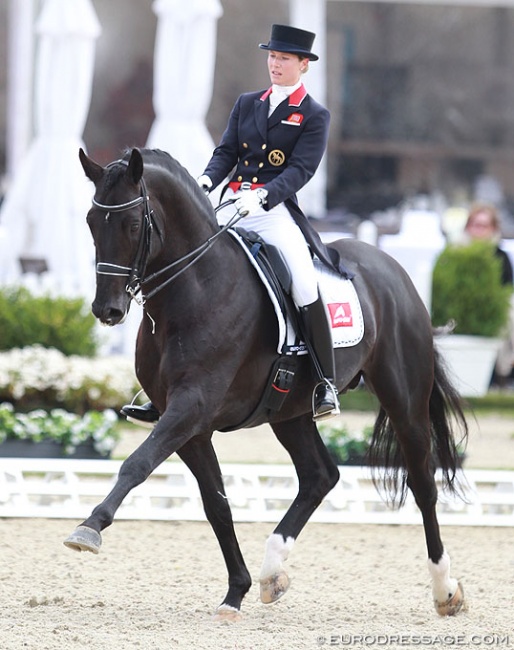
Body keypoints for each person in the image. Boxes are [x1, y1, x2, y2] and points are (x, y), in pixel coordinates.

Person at [123, 24, 351, 425]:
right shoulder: (248, 103)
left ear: (303, 65)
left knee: (302, 279)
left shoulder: (314, 115)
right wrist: (207, 181)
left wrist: (263, 195)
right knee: (184, 268)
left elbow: (301, 169)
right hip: (230, 203)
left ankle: (323, 382)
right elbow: (226, 151)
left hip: (273, 209)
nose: (275, 64)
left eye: (283, 59)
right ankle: (158, 385)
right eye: (272, 57)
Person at [463, 202, 514, 385]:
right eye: (476, 225)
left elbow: (507, 289)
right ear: (468, 227)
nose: (479, 231)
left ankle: (505, 368)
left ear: (493, 229)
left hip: (496, 310)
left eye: (484, 226)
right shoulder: (459, 254)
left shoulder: (501, 256)